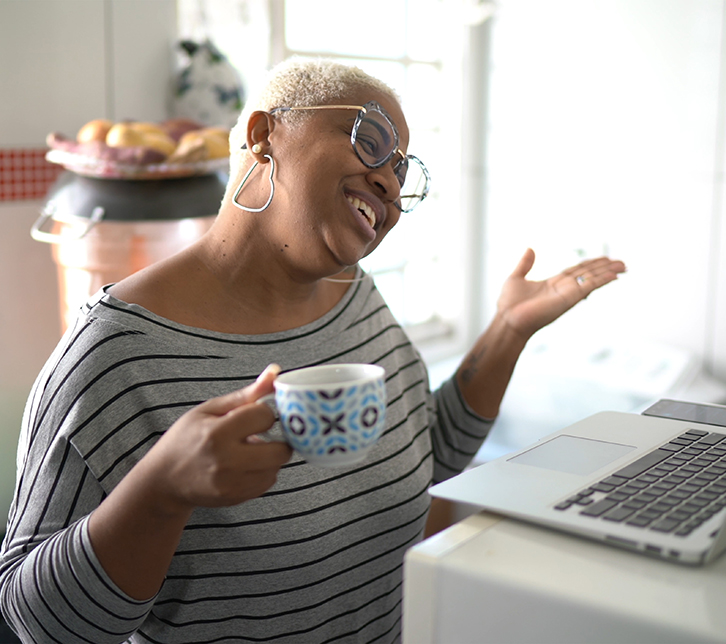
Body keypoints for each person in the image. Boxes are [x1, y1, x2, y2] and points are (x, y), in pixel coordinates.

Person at [0, 58, 626, 643]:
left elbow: (427, 455)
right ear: (263, 135)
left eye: (402, 171)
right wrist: (161, 494)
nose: (387, 180)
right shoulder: (114, 356)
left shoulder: (358, 300)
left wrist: (508, 331)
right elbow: (34, 620)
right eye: (370, 140)